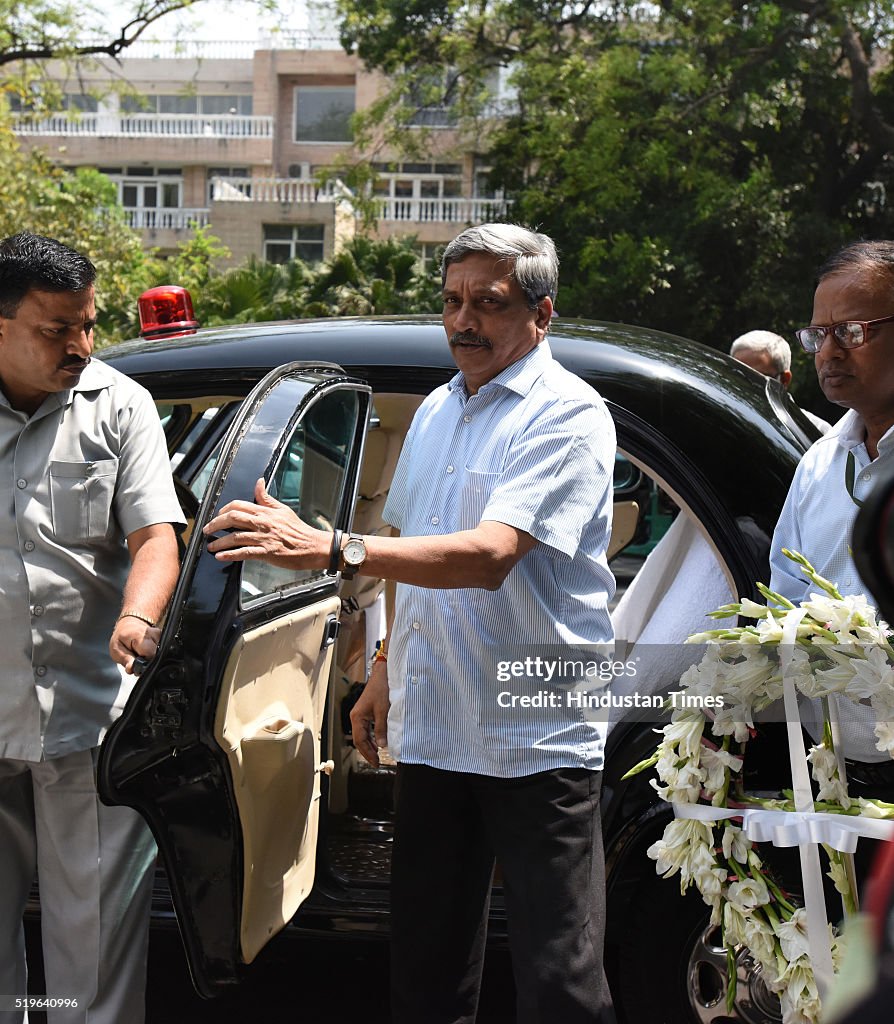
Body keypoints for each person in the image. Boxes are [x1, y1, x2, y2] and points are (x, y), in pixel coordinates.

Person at [203, 223, 616, 1023]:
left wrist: (328, 546)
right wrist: (385, 672)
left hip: (540, 728)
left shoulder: (569, 413)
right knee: (426, 970)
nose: (464, 321)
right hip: (435, 723)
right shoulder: (434, 408)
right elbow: (405, 548)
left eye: (489, 303)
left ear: (542, 312)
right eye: (453, 302)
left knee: (560, 978)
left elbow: (489, 554)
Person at [0, 233, 184, 1023]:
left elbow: (155, 539)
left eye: (88, 324)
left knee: (95, 944)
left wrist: (139, 615)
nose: (79, 346)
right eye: (55, 330)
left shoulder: (120, 404)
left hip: (90, 715)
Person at [769, 240, 894, 760]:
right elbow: (783, 604)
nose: (829, 351)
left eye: (851, 332)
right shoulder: (818, 464)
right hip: (831, 772)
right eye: (819, 334)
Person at [730, 329, 832, 433]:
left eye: (755, 378)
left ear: (784, 380)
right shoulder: (720, 417)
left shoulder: (817, 432)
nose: (743, 385)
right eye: (737, 374)